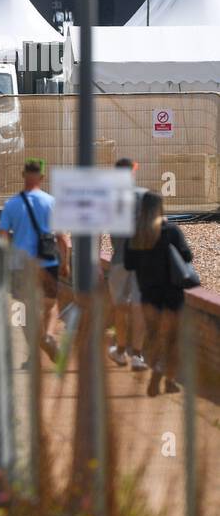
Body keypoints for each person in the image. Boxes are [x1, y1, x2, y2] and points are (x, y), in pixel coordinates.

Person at [0, 158, 70, 363]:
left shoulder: (12, 204)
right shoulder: (51, 202)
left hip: (21, 264)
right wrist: (65, 263)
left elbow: (2, 235)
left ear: (23, 175)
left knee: (22, 309)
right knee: (50, 305)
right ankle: (47, 335)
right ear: (43, 177)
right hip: (47, 262)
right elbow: (63, 237)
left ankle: (32, 353)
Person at [124, 192, 194, 396]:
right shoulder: (171, 231)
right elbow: (187, 255)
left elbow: (129, 264)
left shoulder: (136, 234)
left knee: (153, 336)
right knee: (173, 339)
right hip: (172, 292)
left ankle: (156, 369)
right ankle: (168, 380)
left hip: (148, 293)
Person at [107, 157, 148, 371]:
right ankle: (138, 355)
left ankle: (121, 351)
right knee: (139, 307)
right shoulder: (144, 196)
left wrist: (95, 260)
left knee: (120, 307)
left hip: (119, 259)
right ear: (134, 169)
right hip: (141, 260)